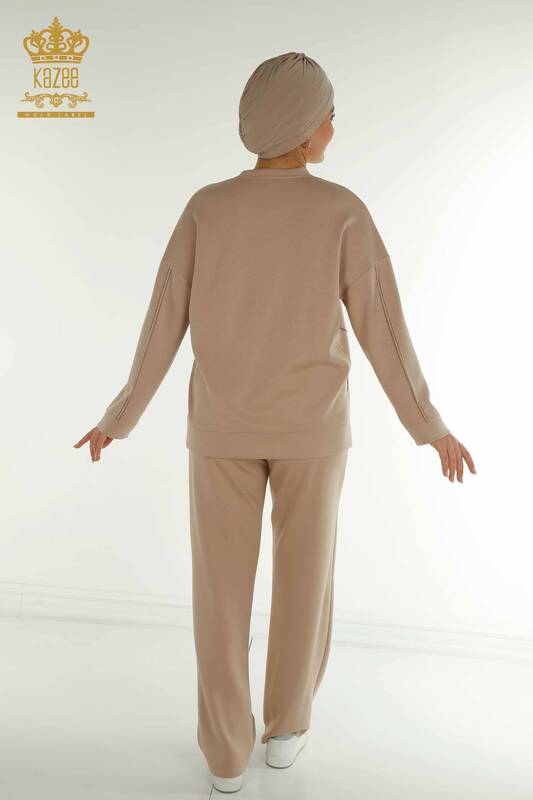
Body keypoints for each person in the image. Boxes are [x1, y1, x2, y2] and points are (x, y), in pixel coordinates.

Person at [74, 51, 476, 793]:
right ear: (301, 126)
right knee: (305, 583)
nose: (333, 128)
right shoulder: (342, 210)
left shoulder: (206, 207)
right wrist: (429, 425)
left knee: (218, 594)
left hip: (220, 430)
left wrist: (119, 417)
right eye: (328, 115)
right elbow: (384, 329)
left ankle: (226, 754)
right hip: (311, 434)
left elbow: (162, 319)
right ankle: (285, 728)